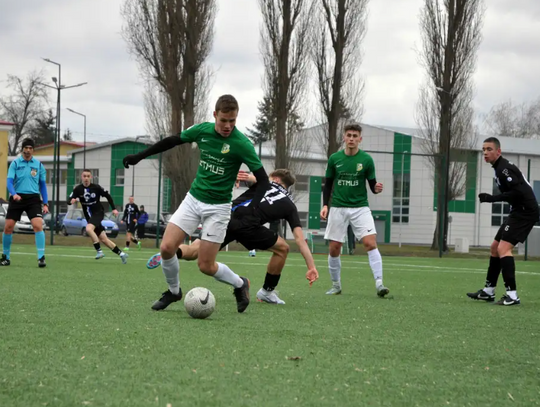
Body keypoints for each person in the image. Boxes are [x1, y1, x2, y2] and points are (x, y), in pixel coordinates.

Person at [123, 94, 270, 313]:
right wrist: (140, 156)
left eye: (232, 121)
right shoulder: (202, 130)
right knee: (166, 248)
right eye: (223, 120)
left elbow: (264, 181)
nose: (228, 125)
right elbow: (172, 140)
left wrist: (254, 208)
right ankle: (174, 292)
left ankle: (241, 284)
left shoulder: (242, 144)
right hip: (193, 200)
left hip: (219, 208)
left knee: (205, 266)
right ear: (215, 115)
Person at [146, 169, 320, 305]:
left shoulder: (263, 182)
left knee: (193, 251)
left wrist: (242, 178)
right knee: (283, 248)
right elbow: (299, 239)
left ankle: (172, 253)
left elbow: (250, 177)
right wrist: (311, 266)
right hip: (249, 226)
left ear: (274, 178)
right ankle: (267, 292)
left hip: (225, 217)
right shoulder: (290, 205)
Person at [467, 137, 539, 306]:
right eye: (483, 149)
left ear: (498, 151)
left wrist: (492, 198)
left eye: (489, 149)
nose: (485, 152)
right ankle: (488, 291)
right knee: (494, 247)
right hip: (518, 211)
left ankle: (512, 296)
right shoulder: (499, 167)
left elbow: (518, 193)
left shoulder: (504, 169)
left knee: (503, 249)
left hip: (525, 213)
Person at [320, 123, 389, 297]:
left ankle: (380, 284)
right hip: (338, 207)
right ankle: (336, 285)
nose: (351, 138)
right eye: (348, 135)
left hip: (360, 207)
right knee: (334, 247)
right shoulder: (334, 159)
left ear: (360, 139)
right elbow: (327, 184)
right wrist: (325, 205)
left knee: (370, 243)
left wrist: (377, 188)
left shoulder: (366, 160)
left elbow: (373, 185)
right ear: (344, 137)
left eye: (354, 136)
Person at [1, 138, 48, 267]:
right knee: (8, 227)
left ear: (33, 150)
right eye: (25, 148)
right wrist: (14, 194)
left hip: (33, 199)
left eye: (30, 148)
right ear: (22, 149)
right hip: (18, 198)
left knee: (38, 225)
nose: (27, 150)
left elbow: (43, 186)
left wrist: (45, 203)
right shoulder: (15, 164)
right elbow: (9, 182)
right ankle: (5, 257)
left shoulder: (38, 165)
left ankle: (41, 258)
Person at [68, 169, 128, 264]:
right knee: (104, 239)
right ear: (81, 177)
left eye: (88, 176)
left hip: (98, 213)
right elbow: (69, 198)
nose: (86, 178)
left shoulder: (96, 187)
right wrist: (71, 201)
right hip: (90, 217)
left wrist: (114, 208)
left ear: (91, 177)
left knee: (88, 229)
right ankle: (122, 254)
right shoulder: (77, 189)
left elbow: (107, 196)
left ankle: (99, 251)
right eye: (84, 176)